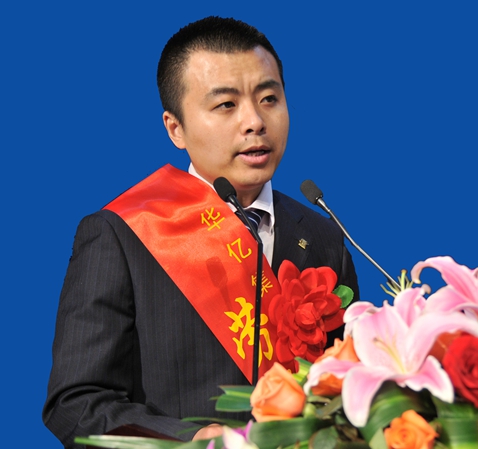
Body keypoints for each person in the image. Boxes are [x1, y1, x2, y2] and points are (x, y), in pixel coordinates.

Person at [43, 16, 359, 448]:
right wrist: (190, 439)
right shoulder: (122, 235)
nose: (255, 121)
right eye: (226, 105)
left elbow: (348, 389)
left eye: (269, 98)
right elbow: (75, 404)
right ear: (175, 128)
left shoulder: (323, 238)